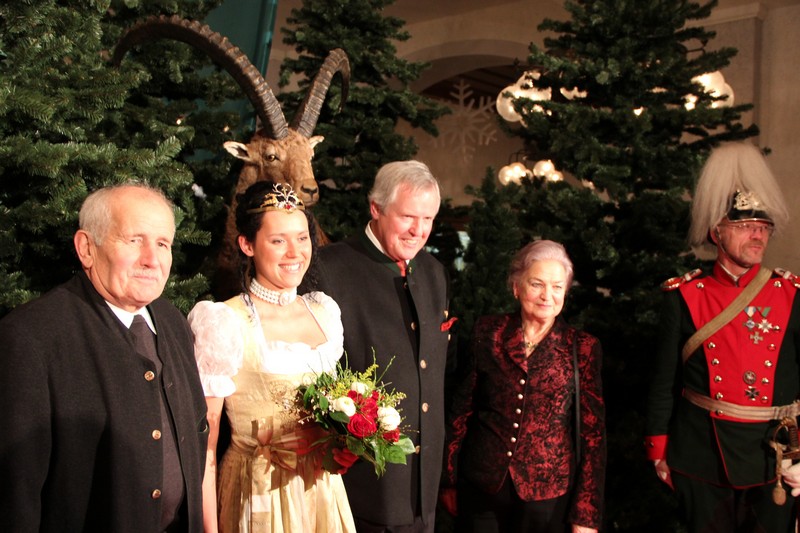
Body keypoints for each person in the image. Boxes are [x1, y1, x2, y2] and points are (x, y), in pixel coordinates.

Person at [0, 183, 208, 532]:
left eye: (162, 244)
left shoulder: (173, 321)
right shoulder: (31, 337)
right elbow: (15, 493)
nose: (152, 259)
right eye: (134, 240)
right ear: (86, 248)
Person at [644, 142, 800, 532]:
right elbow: (664, 382)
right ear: (717, 232)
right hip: (701, 457)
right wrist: (658, 448)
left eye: (763, 228)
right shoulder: (684, 296)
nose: (757, 236)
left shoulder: (791, 294)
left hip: (774, 455)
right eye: (745, 227)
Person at [188, 181, 355, 532]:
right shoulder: (225, 321)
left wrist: (344, 444)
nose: (295, 252)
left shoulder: (324, 312)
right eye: (278, 241)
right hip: (258, 491)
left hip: (322, 491)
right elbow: (204, 447)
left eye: (302, 238)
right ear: (247, 245)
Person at [313, 160, 453, 532]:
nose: (419, 231)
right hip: (362, 485)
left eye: (428, 219)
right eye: (408, 217)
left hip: (423, 490)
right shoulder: (328, 268)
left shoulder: (434, 272)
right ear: (375, 208)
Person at [440, 240, 606, 533]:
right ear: (516, 287)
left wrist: (585, 513)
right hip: (482, 489)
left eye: (557, 287)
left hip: (547, 498)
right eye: (537, 284)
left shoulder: (582, 347)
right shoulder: (488, 332)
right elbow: (461, 411)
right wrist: (448, 480)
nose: (547, 295)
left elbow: (592, 435)